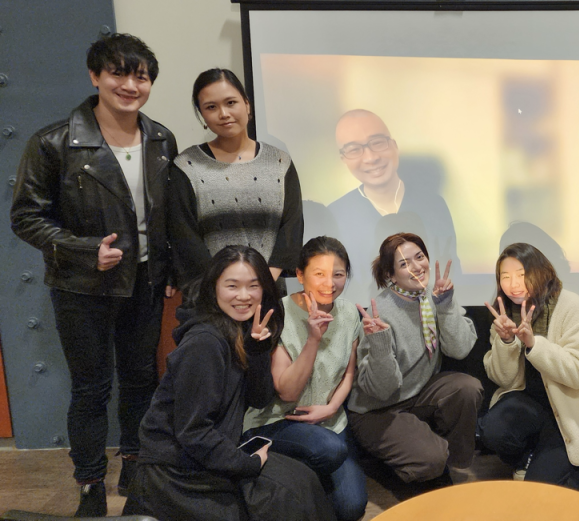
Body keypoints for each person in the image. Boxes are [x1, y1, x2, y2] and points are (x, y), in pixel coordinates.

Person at [9, 33, 177, 516]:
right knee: (91, 388)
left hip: (145, 282)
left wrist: (170, 267)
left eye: (140, 76)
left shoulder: (161, 138)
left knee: (141, 380)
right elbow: (26, 217)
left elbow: (167, 215)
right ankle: (89, 484)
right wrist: (86, 251)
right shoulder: (54, 142)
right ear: (95, 76)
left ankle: (136, 469)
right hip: (82, 287)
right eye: (118, 73)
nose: (130, 85)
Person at [122, 246, 333, 520]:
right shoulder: (204, 343)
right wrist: (247, 463)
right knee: (286, 496)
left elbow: (260, 399)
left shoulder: (238, 330)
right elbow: (193, 432)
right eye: (232, 286)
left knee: (302, 480)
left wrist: (257, 351)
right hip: (175, 473)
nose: (243, 296)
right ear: (214, 289)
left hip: (207, 456)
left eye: (253, 286)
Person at [477, 243, 579, 490]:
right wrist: (506, 341)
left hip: (569, 412)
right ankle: (530, 454)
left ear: (541, 272)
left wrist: (534, 344)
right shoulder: (505, 315)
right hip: (531, 407)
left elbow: (578, 373)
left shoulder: (571, 307)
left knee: (546, 493)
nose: (513, 284)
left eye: (522, 275)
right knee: (492, 429)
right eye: (505, 276)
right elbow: (504, 380)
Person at [243, 236, 368, 520]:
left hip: (329, 421)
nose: (330, 283)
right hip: (279, 421)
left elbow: (349, 372)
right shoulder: (279, 313)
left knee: (352, 507)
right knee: (329, 449)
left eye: (338, 275)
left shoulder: (349, 312)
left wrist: (332, 408)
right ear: (300, 275)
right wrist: (313, 339)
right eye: (319, 274)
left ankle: (304, 479)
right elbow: (286, 392)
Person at [346, 232, 481, 485]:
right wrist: (380, 343)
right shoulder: (380, 313)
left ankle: (444, 463)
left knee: (467, 388)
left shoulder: (432, 297)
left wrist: (445, 305)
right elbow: (381, 390)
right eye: (404, 263)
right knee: (431, 458)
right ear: (390, 275)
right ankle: (416, 463)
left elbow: (460, 349)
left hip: (415, 395)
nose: (417, 267)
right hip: (376, 410)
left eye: (420, 257)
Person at [168, 68, 303, 285]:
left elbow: (291, 228)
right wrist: (225, 287)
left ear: (247, 105)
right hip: (209, 291)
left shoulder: (279, 162)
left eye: (231, 103)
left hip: (268, 289)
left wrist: (261, 284)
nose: (223, 113)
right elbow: (184, 237)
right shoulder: (187, 166)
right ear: (202, 115)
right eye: (211, 107)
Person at [324, 109, 460, 304]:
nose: (370, 157)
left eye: (377, 142)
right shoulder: (335, 215)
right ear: (343, 159)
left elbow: (453, 272)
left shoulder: (434, 205)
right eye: (354, 150)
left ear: (394, 145)